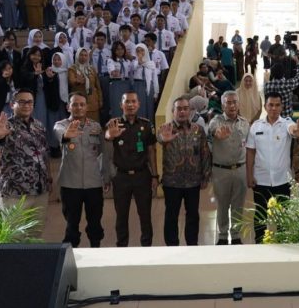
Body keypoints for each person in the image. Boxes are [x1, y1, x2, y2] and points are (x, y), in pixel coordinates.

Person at [246, 92, 299, 243]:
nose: (273, 108)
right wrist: (249, 175)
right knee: (260, 216)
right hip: (261, 180)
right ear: (265, 106)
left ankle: (282, 244)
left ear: (282, 106)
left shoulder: (286, 123)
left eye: (277, 105)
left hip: (282, 181)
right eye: (270, 105)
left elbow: (293, 130)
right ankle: (259, 244)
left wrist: (298, 131)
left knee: (283, 217)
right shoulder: (256, 126)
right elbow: (250, 152)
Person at [0, 89, 50, 233]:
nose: (26, 105)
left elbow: (43, 155)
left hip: (40, 190)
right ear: (12, 104)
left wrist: (49, 180)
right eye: (21, 102)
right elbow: (0, 138)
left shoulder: (39, 126)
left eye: (30, 102)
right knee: (15, 238)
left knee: (36, 234)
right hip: (15, 193)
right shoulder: (7, 126)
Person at [54, 93, 109, 248]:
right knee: (71, 224)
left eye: (82, 104)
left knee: (95, 223)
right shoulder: (61, 125)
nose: (78, 107)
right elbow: (60, 135)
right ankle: (71, 257)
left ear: (87, 107)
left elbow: (103, 154)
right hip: (71, 183)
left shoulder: (95, 127)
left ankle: (96, 251)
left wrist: (105, 177)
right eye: (75, 104)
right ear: (68, 107)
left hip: (93, 182)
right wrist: (67, 135)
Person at [105, 91, 158, 247]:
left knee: (145, 215)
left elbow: (151, 151)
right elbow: (107, 140)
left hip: (142, 176)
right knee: (121, 216)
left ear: (138, 104)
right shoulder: (113, 124)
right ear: (121, 105)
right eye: (127, 102)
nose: (130, 105)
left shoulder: (146, 125)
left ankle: (146, 247)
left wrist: (155, 176)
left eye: (133, 101)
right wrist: (109, 135)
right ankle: (122, 247)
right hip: (121, 177)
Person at [157, 95, 211, 246]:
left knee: (193, 215)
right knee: (171, 216)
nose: (182, 112)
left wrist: (206, 176)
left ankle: (192, 245)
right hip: (172, 183)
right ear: (173, 111)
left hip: (193, 182)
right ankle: (172, 246)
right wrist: (163, 139)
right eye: (179, 109)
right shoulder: (166, 128)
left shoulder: (198, 130)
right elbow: (159, 138)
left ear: (190, 110)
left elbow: (204, 152)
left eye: (185, 108)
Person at [208, 91, 250, 245]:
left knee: (239, 205)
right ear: (222, 105)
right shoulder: (216, 121)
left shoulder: (245, 123)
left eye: (234, 102)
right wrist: (217, 133)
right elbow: (212, 129)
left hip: (240, 170)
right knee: (222, 204)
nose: (232, 105)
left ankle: (236, 234)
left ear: (238, 104)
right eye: (228, 103)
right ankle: (223, 235)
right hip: (221, 171)